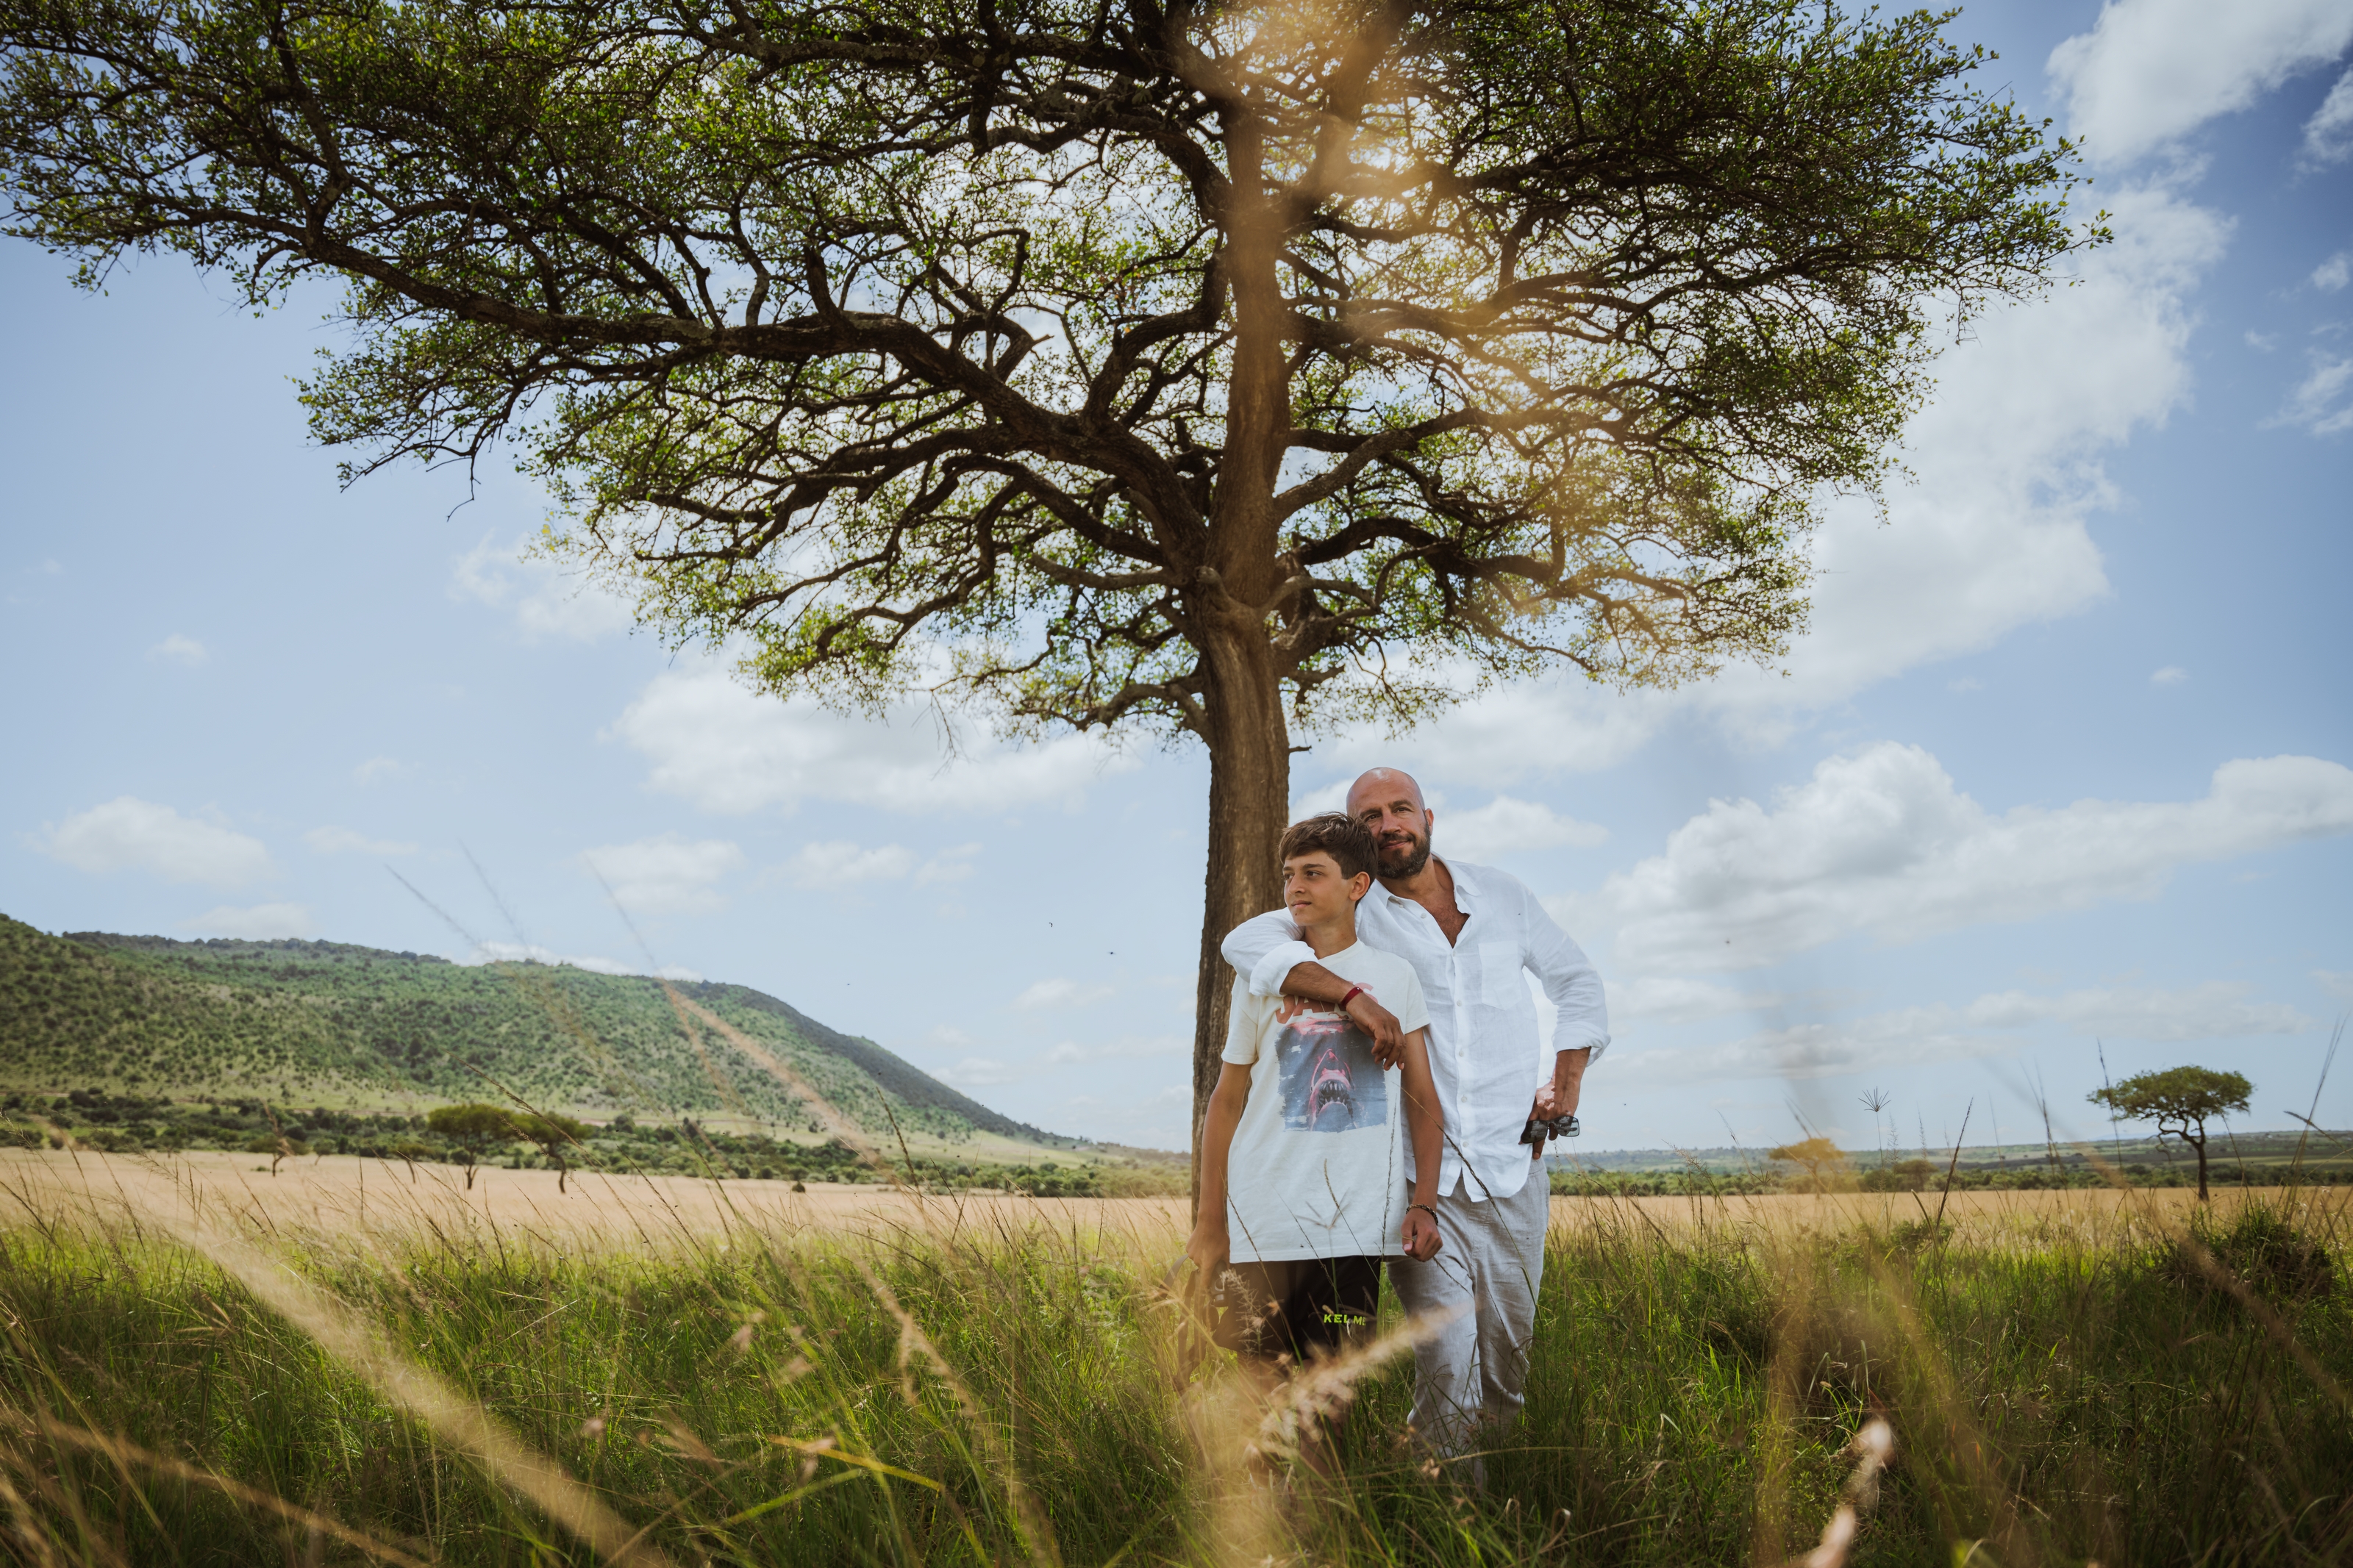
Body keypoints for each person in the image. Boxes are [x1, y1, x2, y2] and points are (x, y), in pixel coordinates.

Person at [1219, 767, 1610, 1476]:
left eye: (1400, 808)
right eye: (1369, 815)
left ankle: (1475, 1489)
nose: (1388, 822)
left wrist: (1567, 1077)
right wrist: (1354, 998)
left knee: (1506, 1360)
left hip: (1514, 1166)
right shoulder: (1352, 908)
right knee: (1448, 1357)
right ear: (1356, 840)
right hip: (1411, 1181)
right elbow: (1246, 943)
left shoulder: (1504, 895)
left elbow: (1576, 980)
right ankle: (1451, 1506)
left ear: (1427, 815)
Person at [1187, 812, 1447, 1445]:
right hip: (1261, 1228)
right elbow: (1225, 1102)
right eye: (1288, 875)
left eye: (1312, 873)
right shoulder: (1264, 975)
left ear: (1358, 885)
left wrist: (1424, 1202)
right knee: (1257, 1407)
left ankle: (1327, 1538)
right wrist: (1210, 1221)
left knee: (1326, 1419)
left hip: (1352, 1229)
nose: (1294, 888)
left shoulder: (1396, 976)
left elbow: (1422, 1098)